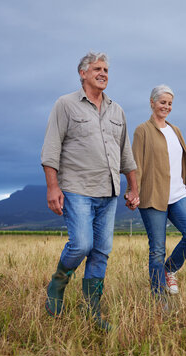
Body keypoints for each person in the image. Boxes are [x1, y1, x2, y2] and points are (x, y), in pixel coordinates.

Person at [41, 51, 139, 331]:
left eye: (106, 69)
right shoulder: (65, 105)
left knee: (101, 251)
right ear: (82, 73)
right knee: (82, 244)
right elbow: (51, 148)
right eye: (97, 68)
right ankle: (59, 281)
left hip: (108, 192)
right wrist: (52, 187)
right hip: (77, 188)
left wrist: (133, 188)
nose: (103, 73)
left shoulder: (117, 110)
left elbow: (126, 154)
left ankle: (92, 309)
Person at [130, 84, 186, 299]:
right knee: (157, 250)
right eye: (162, 102)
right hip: (153, 195)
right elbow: (137, 163)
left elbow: (184, 163)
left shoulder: (175, 130)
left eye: (170, 103)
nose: (166, 107)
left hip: (178, 194)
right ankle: (158, 297)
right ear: (152, 103)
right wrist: (133, 191)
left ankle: (169, 269)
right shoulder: (142, 130)